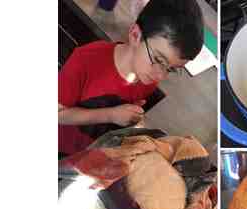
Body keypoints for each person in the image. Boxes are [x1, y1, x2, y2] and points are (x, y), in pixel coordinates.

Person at [58, 0, 204, 156]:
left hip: (92, 153)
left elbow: (122, 117)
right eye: (159, 60)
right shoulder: (86, 59)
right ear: (135, 35)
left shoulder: (148, 77)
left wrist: (133, 118)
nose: (160, 75)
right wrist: (111, 114)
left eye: (172, 69)